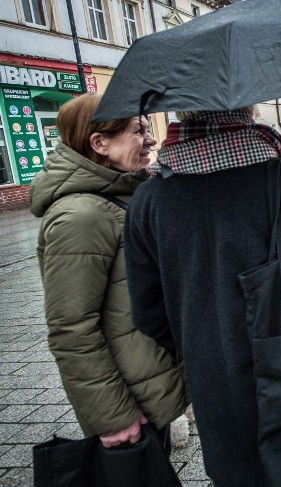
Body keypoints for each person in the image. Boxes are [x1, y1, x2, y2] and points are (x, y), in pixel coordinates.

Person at [124, 108, 281, 486]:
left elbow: (150, 317)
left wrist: (204, 339)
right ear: (248, 110)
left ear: (183, 113)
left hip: (217, 394)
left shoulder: (148, 200)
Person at [30, 93, 189, 451]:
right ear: (99, 143)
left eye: (148, 129)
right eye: (137, 130)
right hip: (128, 404)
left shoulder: (123, 195)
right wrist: (112, 416)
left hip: (149, 386)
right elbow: (71, 328)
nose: (150, 139)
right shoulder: (80, 215)